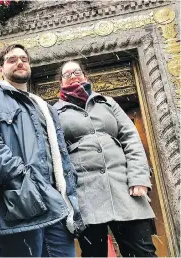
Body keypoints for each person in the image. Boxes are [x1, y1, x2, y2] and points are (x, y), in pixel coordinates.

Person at [0, 44, 85, 257]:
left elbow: (61, 156)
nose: (19, 62)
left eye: (24, 59)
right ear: (0, 69)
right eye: (11, 60)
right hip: (20, 204)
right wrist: (27, 183)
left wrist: (67, 194)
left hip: (56, 204)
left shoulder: (45, 107)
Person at [53, 60, 157, 257]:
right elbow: (57, 155)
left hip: (125, 186)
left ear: (86, 77)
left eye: (77, 72)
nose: (73, 76)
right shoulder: (55, 113)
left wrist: (139, 178)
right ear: (60, 82)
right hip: (85, 193)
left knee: (142, 252)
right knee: (94, 253)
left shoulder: (107, 102)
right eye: (67, 74)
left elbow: (130, 138)